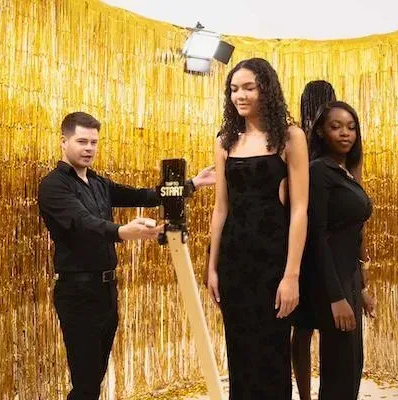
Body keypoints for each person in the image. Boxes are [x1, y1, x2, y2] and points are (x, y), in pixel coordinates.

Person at [38, 111, 215, 400]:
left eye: (94, 142)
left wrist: (192, 184)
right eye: (82, 141)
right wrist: (123, 231)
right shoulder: (53, 185)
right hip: (77, 292)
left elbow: (143, 196)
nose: (89, 148)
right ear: (63, 141)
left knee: (94, 378)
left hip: (106, 289)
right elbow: (84, 224)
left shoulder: (98, 183)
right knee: (85, 382)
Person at [206, 58, 309, 399]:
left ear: (267, 89)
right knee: (239, 352)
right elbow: (221, 207)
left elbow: (300, 210)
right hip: (234, 260)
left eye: (249, 87)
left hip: (273, 260)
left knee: (272, 352)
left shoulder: (291, 137)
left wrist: (292, 275)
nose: (240, 95)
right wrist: (212, 267)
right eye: (234, 89)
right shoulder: (224, 140)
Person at [292, 80, 374, 399]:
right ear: (321, 129)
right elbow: (317, 235)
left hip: (346, 274)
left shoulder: (346, 169)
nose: (345, 133)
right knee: (338, 362)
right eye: (336, 126)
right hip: (324, 274)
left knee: (350, 362)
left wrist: (362, 286)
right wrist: (336, 295)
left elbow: (355, 232)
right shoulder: (317, 168)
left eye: (351, 127)